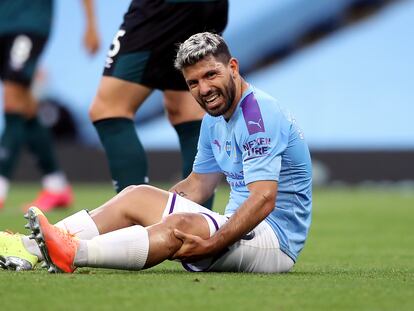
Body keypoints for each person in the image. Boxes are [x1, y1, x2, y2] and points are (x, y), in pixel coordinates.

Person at [0, 32, 312, 274]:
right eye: (193, 82)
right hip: (236, 224)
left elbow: (263, 199)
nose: (203, 89)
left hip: (274, 241)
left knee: (181, 227)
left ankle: (73, 252)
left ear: (233, 67)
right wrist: (152, 207)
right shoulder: (214, 120)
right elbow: (197, 186)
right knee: (137, 195)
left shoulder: (258, 115)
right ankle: (30, 247)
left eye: (211, 75)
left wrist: (214, 241)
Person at [89, 0, 228, 210]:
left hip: (162, 8)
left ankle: (137, 220)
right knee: (185, 110)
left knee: (109, 110)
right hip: (211, 7)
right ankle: (197, 226)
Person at [0, 0, 100, 211]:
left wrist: (91, 23)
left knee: (12, 98)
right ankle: (56, 186)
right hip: (5, 24)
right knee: (25, 107)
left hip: (28, 23)